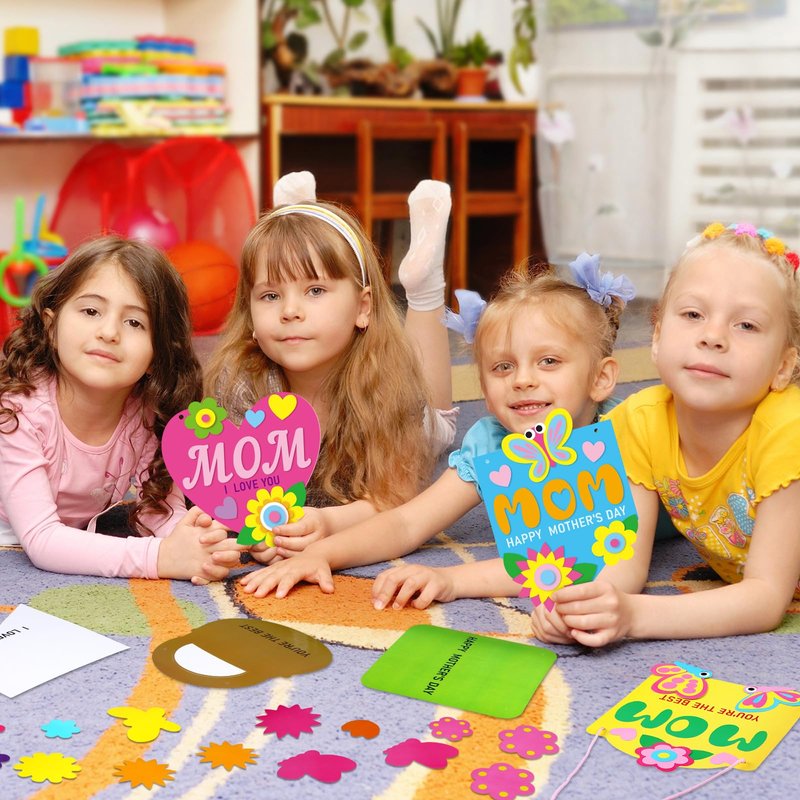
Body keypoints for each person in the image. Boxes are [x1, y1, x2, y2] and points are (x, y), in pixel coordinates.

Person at [238, 257, 635, 602]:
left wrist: (452, 580)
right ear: (483, 388)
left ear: (600, 379)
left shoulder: (628, 434)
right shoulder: (493, 444)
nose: (522, 380)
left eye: (548, 361)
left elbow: (591, 561)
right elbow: (407, 523)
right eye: (503, 367)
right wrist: (320, 554)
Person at [531, 222, 800, 646]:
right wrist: (583, 606)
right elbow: (626, 563)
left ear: (784, 367)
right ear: (656, 338)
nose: (712, 337)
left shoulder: (788, 431)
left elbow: (765, 598)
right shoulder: (642, 421)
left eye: (746, 325)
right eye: (693, 315)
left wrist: (634, 617)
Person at [205, 174, 458, 560]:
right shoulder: (241, 383)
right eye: (271, 295)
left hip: (406, 420)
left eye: (315, 290)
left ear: (362, 308)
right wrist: (262, 532)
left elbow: (395, 500)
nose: (290, 311)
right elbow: (235, 491)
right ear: (250, 316)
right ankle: (301, 223)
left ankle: (425, 287)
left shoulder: (389, 387)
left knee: (438, 426)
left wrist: (327, 523)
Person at [0, 236, 244, 581]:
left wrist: (196, 540)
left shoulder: (146, 414)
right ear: (51, 327)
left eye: (134, 323)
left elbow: (157, 509)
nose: (109, 332)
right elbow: (43, 540)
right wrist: (161, 557)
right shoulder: (18, 411)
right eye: (91, 311)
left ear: (157, 355)